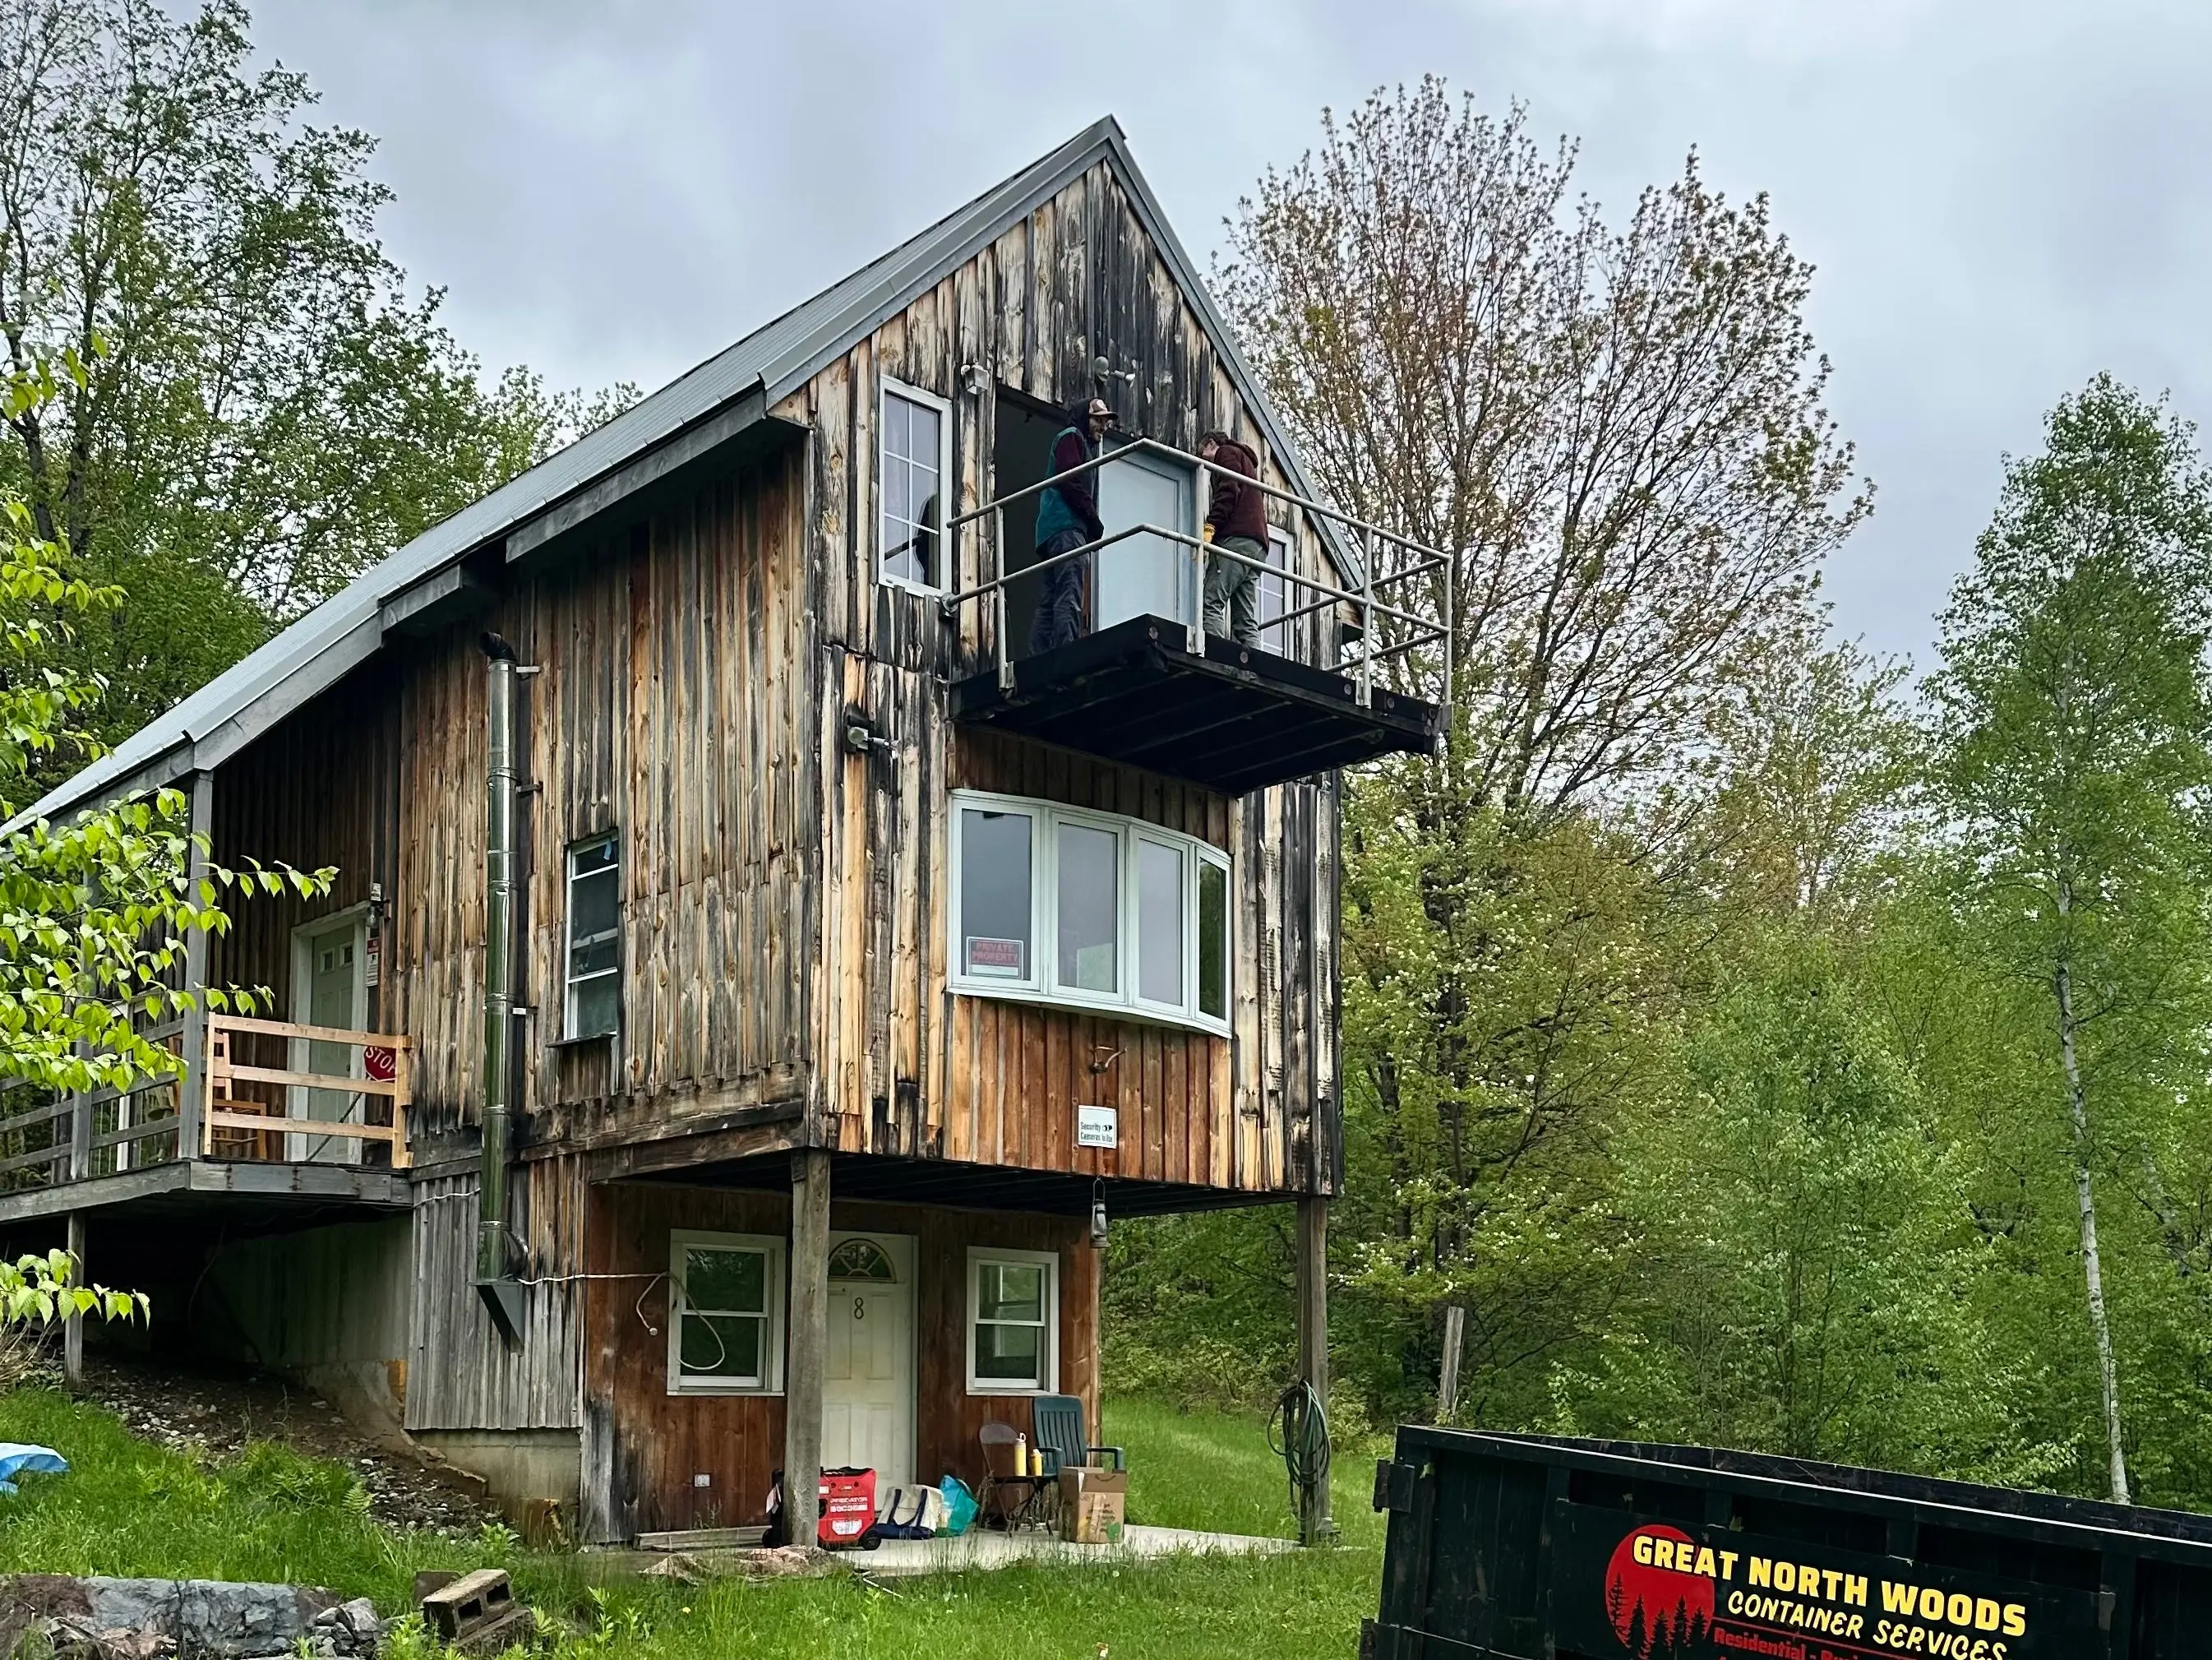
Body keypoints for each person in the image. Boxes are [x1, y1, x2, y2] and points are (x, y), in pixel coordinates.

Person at [1028, 397, 1112, 655]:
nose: (1103, 426)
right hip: (1067, 528)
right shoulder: (1071, 437)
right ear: (1083, 418)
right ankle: (1067, 653)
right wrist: (1091, 517)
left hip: (1052, 530)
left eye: (1105, 421)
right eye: (1098, 420)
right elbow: (1070, 480)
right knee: (1069, 592)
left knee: (1051, 596)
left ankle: (1038, 655)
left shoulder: (1077, 442)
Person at [1198, 430, 1266, 648]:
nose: (1206, 464)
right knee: (1245, 617)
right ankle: (1258, 667)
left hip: (1235, 539)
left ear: (1211, 444)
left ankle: (1215, 656)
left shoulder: (1226, 453)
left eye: (1203, 456)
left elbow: (1228, 490)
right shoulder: (1246, 461)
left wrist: (1211, 525)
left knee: (1211, 602)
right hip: (1256, 545)